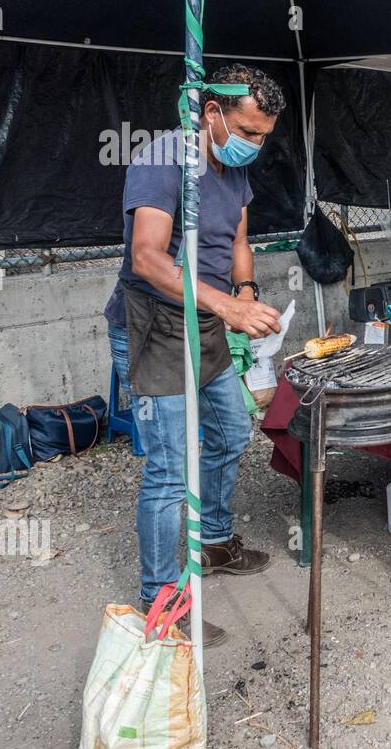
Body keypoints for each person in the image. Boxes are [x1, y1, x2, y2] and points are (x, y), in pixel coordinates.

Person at [104, 63, 286, 646]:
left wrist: (247, 292)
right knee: (167, 468)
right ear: (212, 114)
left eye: (264, 136)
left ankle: (212, 541)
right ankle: (160, 607)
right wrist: (229, 309)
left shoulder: (234, 175)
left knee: (233, 430)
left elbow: (237, 238)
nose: (255, 146)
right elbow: (149, 259)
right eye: (247, 132)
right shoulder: (164, 160)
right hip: (155, 323)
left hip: (204, 318)